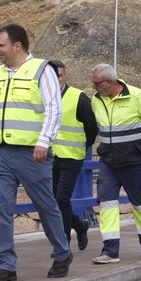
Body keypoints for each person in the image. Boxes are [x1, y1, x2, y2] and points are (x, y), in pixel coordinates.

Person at [0, 24, 70, 281]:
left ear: (17, 45)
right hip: (1, 152)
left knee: (46, 206)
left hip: (33, 153)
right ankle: (6, 264)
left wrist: (44, 141)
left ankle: (62, 253)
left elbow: (54, 108)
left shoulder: (42, 70)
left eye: (1, 45)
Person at [89, 63, 141, 263]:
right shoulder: (97, 100)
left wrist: (136, 147)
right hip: (108, 162)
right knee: (107, 205)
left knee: (140, 204)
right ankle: (110, 251)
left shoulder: (137, 96)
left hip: (134, 161)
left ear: (109, 82)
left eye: (97, 84)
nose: (94, 88)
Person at [48, 60, 98, 252]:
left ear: (65, 76)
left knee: (61, 198)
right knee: (53, 200)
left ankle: (64, 244)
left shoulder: (79, 98)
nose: (56, 79)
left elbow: (91, 127)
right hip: (49, 158)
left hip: (72, 157)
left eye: (59, 75)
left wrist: (83, 146)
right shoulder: (41, 97)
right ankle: (78, 224)